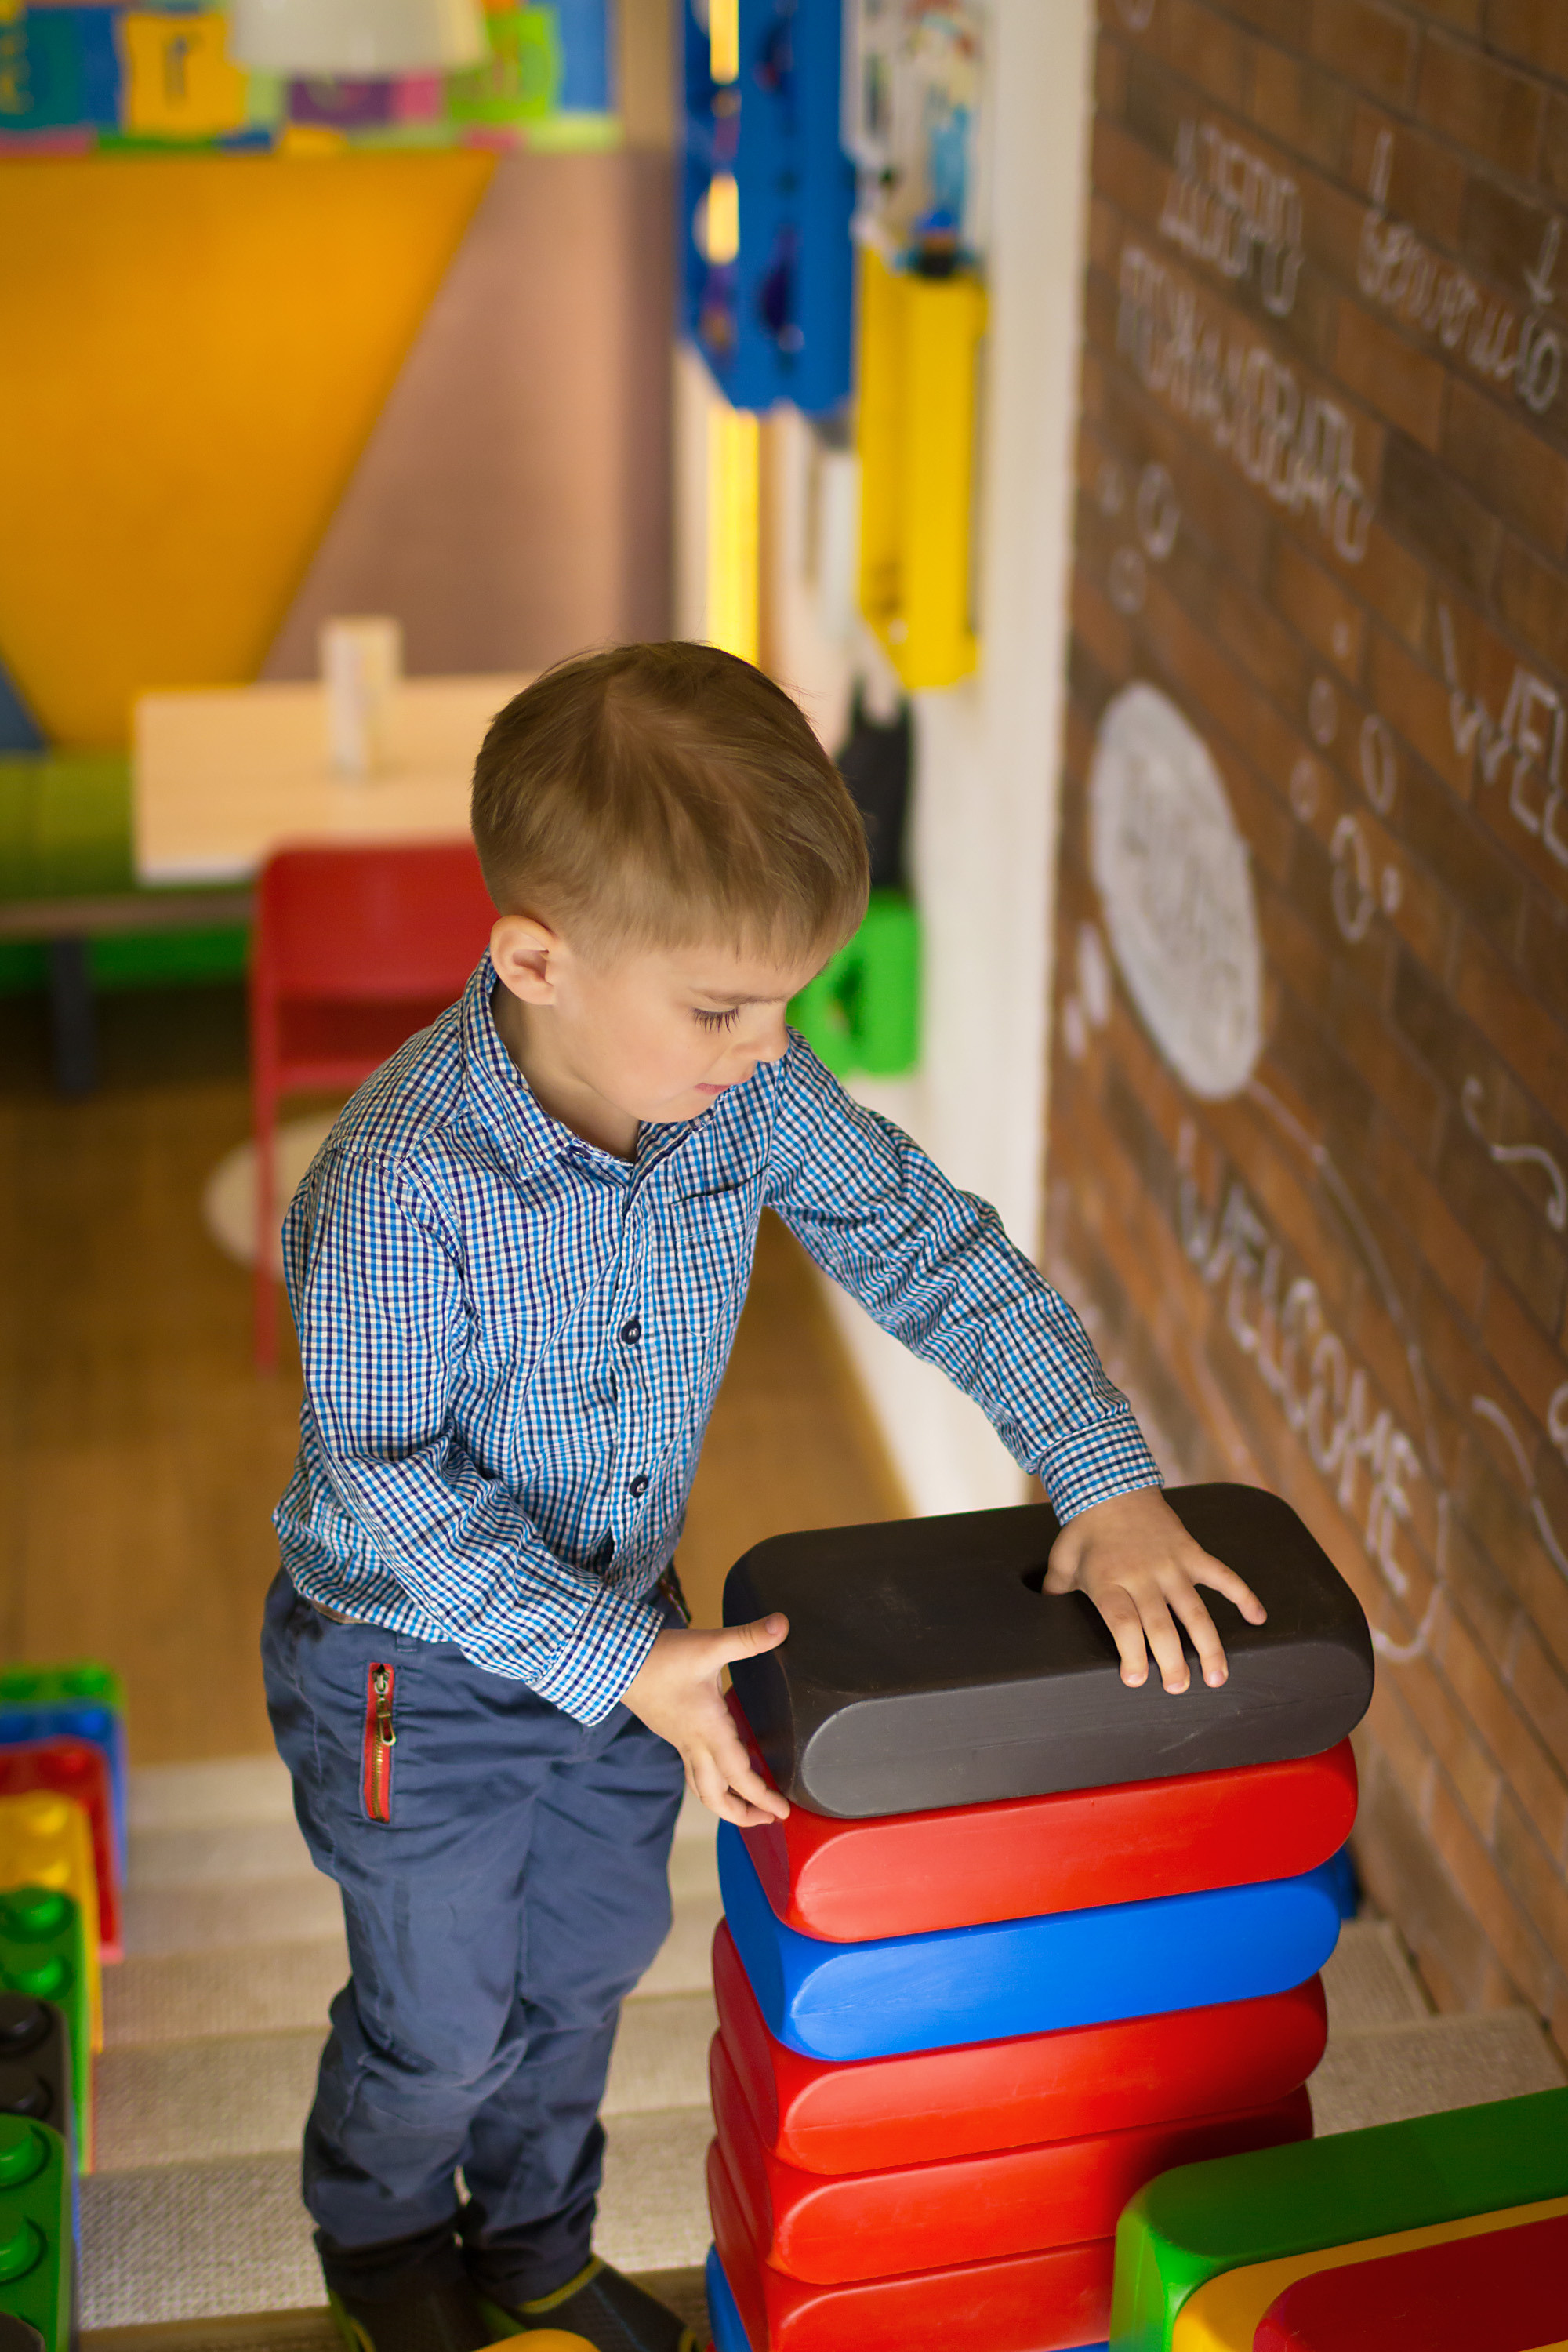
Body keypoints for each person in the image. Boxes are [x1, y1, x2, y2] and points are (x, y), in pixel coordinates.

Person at [262, 643, 1265, 2352]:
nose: (768, 1049)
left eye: (786, 1004)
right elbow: (383, 1484)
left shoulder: (744, 1099)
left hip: (634, 1641)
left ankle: (532, 2245)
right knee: (440, 2017)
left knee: (585, 1969)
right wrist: (615, 1657)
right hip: (406, 1674)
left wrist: (1102, 1478)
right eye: (724, 1010)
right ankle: (379, 2253)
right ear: (536, 960)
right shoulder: (395, 1184)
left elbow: (930, 1250)